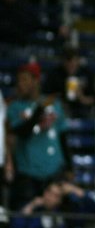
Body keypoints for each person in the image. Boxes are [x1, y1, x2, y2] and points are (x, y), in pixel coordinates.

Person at [6, 62, 72, 211]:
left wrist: (69, 166)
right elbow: (21, 131)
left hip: (54, 170)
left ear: (36, 81)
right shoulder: (15, 107)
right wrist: (39, 111)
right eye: (19, 81)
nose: (20, 85)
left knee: (57, 220)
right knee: (23, 219)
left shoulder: (54, 104)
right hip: (27, 172)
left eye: (25, 80)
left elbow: (63, 136)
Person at [43, 44, 95, 119]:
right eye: (68, 60)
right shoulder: (55, 74)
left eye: (74, 60)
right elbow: (45, 96)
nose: (71, 64)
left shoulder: (87, 73)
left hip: (83, 109)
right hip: (60, 109)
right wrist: (59, 99)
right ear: (63, 61)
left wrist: (83, 98)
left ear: (78, 60)